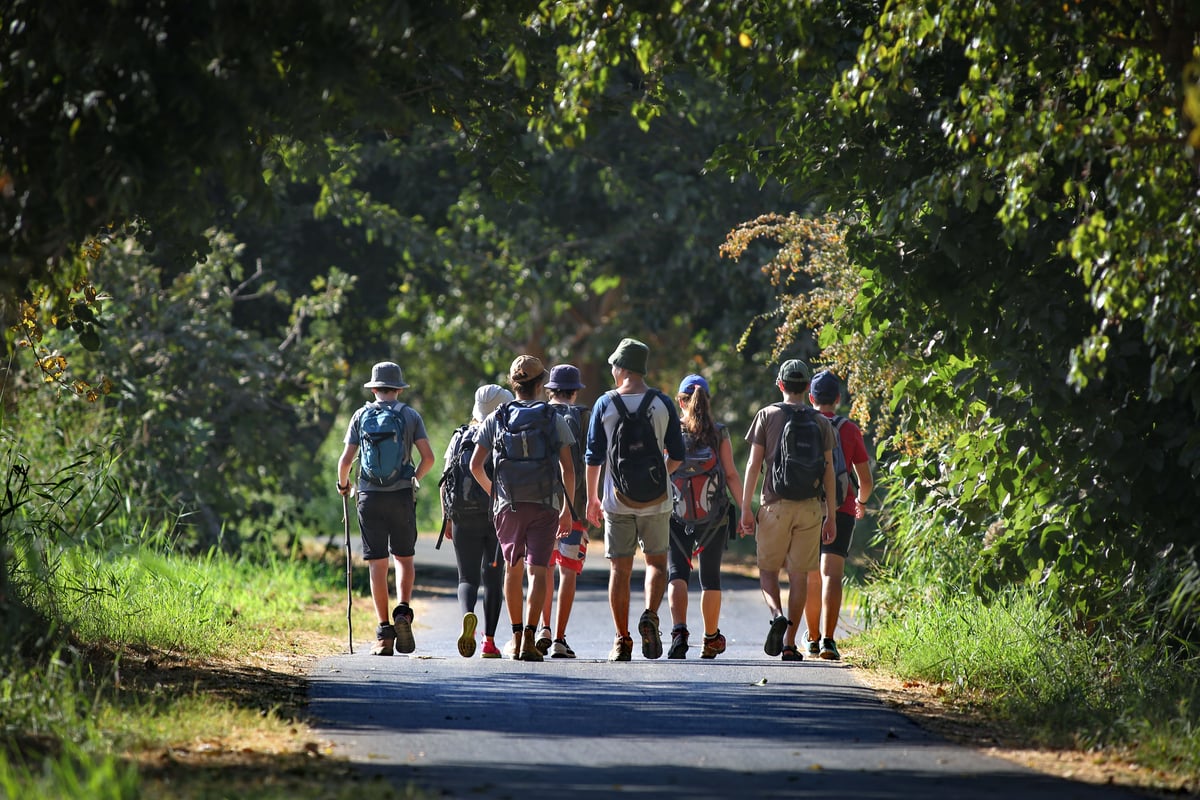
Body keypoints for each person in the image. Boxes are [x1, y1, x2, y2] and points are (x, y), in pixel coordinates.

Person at [585, 337, 686, 662]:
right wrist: (662, 478)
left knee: (620, 569)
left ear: (623, 367)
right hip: (657, 499)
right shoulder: (663, 403)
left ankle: (622, 640)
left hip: (617, 500)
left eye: (614, 365)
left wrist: (592, 498)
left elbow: (593, 457)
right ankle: (650, 616)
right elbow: (678, 454)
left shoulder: (605, 404)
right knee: (656, 563)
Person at [470, 355, 576, 662]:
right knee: (538, 570)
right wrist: (566, 509)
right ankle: (531, 636)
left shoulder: (496, 418)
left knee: (512, 569)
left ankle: (515, 639)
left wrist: (497, 494)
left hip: (509, 505)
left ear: (512, 383)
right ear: (542, 383)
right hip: (545, 505)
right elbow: (568, 468)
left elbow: (476, 465)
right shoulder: (553, 417)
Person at [739, 358, 837, 662]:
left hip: (774, 504)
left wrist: (746, 508)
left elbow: (754, 465)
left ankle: (777, 614)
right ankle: (791, 643)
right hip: (810, 508)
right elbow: (830, 471)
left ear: (780, 385)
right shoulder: (821, 421)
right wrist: (831, 514)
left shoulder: (766, 415)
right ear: (807, 388)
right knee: (799, 576)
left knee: (768, 571)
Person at [336, 361, 436, 656]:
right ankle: (403, 611)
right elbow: (428, 458)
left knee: (377, 565)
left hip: (368, 496)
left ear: (374, 388)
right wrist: (413, 478)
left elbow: (344, 462)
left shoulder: (361, 415)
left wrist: (344, 485)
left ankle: (383, 635)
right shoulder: (410, 415)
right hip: (401, 495)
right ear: (398, 388)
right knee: (404, 558)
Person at [665, 374, 746, 659]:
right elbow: (732, 475)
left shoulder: (670, 430)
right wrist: (746, 510)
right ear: (707, 400)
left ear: (680, 400)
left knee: (677, 572)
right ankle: (710, 638)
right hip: (714, 517)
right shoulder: (719, 432)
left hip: (676, 517)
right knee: (710, 577)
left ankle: (678, 633)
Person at [802, 370, 874, 661]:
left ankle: (812, 639)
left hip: (806, 507)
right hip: (841, 507)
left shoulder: (802, 423)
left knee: (810, 575)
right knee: (831, 573)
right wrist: (860, 501)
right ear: (838, 399)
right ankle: (830, 641)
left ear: (811, 398)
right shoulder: (849, 429)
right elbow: (865, 480)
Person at [441, 384, 513, 659]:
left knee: (467, 577)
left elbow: (446, 477)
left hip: (462, 515)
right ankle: (489, 642)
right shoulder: (503, 433)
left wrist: (447, 516)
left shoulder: (461, 436)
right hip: (496, 517)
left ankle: (467, 616)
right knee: (493, 578)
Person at [534, 364, 591, 659]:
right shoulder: (583, 416)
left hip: (541, 506)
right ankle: (558, 638)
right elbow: (591, 462)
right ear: (575, 391)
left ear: (550, 391)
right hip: (575, 508)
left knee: (544, 568)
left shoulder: (538, 414)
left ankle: (542, 628)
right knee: (568, 572)